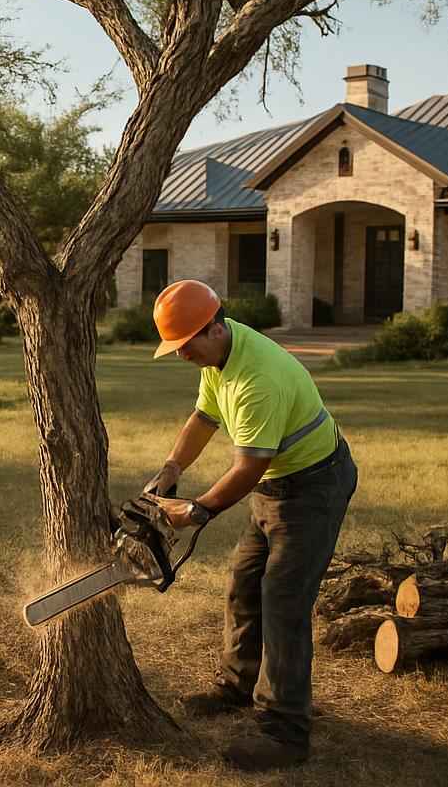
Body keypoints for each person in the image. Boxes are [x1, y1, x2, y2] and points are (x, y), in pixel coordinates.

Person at [142, 279, 357, 771]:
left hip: (311, 489)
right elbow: (203, 418)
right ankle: (238, 686)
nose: (180, 355)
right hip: (277, 486)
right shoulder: (221, 356)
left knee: (283, 600)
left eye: (184, 345)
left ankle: (285, 730)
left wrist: (196, 510)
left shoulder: (257, 379)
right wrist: (172, 470)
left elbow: (247, 469)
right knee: (243, 585)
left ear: (213, 328)